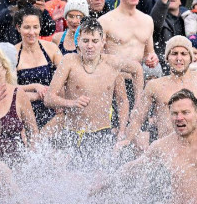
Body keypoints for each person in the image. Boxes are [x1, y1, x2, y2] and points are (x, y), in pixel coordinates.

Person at [45, 20, 142, 162]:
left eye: (95, 41)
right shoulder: (69, 61)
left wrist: (137, 106)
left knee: (99, 181)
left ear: (103, 42)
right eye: (86, 41)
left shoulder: (112, 63)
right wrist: (72, 103)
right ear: (78, 41)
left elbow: (137, 71)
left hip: (102, 133)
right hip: (73, 132)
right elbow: (49, 99)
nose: (90, 46)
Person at [125, 35, 197, 150]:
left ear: (190, 58)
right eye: (174, 54)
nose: (179, 58)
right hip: (168, 151)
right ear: (167, 58)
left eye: (183, 54)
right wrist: (127, 140)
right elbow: (137, 120)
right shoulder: (155, 86)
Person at [99, 0, 160, 73]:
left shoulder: (147, 20)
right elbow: (97, 57)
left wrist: (152, 58)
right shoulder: (105, 21)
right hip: (113, 78)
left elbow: (148, 54)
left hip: (138, 78)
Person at [14, 1, 62, 127]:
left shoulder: (51, 48)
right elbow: (9, 88)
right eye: (27, 27)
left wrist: (56, 97)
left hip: (51, 106)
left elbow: (65, 76)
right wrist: (35, 87)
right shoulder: (13, 53)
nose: (32, 32)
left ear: (40, 27)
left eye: (35, 27)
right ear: (18, 28)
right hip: (24, 108)